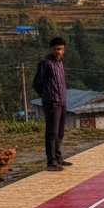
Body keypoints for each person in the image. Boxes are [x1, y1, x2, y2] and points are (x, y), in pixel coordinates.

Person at [32, 36, 72, 172]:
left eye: (60, 49)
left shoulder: (60, 64)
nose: (58, 52)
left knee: (60, 132)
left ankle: (58, 157)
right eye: (56, 49)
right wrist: (46, 97)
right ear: (51, 49)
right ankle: (51, 162)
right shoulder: (45, 63)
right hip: (51, 103)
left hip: (62, 101)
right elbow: (36, 83)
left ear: (64, 50)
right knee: (52, 133)